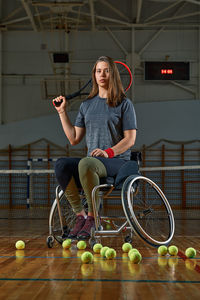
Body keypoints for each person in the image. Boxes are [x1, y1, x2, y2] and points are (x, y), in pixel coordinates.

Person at [52, 56, 137, 240]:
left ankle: (92, 217)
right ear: (94, 75)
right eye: (99, 71)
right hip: (91, 164)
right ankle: (80, 216)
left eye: (106, 70)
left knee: (86, 163)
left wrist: (108, 152)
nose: (102, 74)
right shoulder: (86, 105)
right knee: (61, 165)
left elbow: (130, 140)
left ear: (113, 74)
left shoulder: (124, 104)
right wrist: (62, 112)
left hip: (117, 162)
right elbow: (74, 138)